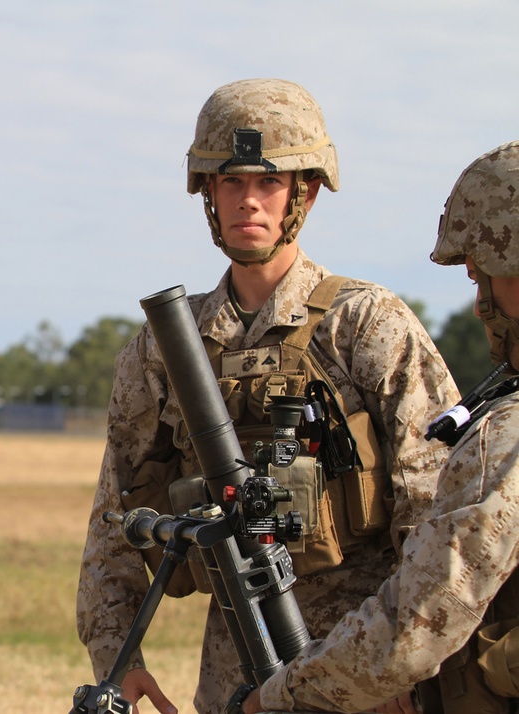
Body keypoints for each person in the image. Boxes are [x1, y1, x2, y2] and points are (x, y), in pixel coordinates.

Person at [75, 78, 460, 714]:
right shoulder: (168, 344)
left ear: (302, 194)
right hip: (236, 669)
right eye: (231, 182)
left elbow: (436, 504)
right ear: (207, 193)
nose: (248, 201)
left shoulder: (365, 323)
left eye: (268, 182)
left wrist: (404, 663)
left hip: (362, 661)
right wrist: (120, 656)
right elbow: (116, 510)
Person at [238, 140, 519, 714]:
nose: (479, 306)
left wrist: (276, 699)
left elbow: (417, 621)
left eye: (480, 276)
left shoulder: (506, 440)